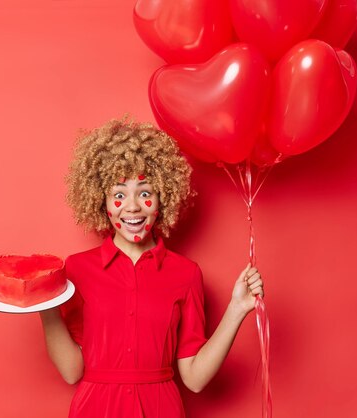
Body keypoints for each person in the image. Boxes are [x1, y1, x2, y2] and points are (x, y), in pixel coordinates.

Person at [38, 117, 264, 418]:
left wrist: (237, 309)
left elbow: (195, 379)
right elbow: (71, 371)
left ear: (163, 197)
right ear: (101, 201)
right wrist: (44, 303)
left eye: (145, 193)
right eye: (119, 194)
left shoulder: (186, 274)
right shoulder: (78, 269)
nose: (132, 206)